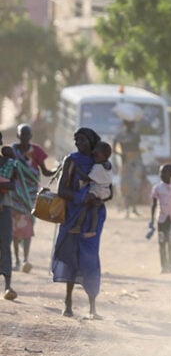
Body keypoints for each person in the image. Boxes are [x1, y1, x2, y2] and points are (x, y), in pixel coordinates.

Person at [53, 128, 111, 319]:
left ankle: (92, 306)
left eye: (83, 140)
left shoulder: (102, 162)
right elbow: (62, 190)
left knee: (90, 258)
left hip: (92, 219)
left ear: (92, 141)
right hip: (73, 214)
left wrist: (98, 199)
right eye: (76, 140)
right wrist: (82, 197)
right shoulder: (71, 160)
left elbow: (109, 190)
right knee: (71, 257)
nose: (79, 143)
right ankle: (68, 302)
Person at [11, 123, 57, 273]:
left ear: (31, 136)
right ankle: (17, 260)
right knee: (14, 228)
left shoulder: (36, 150)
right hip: (15, 193)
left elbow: (45, 172)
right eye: (22, 135)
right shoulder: (12, 150)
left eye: (27, 135)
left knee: (27, 226)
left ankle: (26, 259)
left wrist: (58, 169)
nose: (25, 138)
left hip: (30, 194)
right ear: (18, 136)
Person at [69, 141, 113, 238]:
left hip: (97, 191)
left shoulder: (97, 167)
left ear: (103, 155)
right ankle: (92, 230)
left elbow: (87, 178)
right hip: (105, 191)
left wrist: (77, 170)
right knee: (94, 210)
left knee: (84, 205)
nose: (94, 156)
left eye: (96, 155)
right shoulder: (108, 165)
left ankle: (78, 226)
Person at [149, 163, 171, 273]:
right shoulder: (157, 188)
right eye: (160, 172)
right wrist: (152, 220)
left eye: (163, 172)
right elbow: (154, 204)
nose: (161, 175)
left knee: (170, 241)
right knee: (162, 242)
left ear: (170, 174)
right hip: (161, 219)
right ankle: (163, 265)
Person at [113, 120, 145, 217]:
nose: (132, 125)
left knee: (136, 184)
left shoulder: (136, 135)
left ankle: (134, 207)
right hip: (125, 161)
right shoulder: (120, 135)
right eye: (130, 124)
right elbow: (114, 148)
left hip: (135, 161)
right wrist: (121, 154)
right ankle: (126, 208)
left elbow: (137, 148)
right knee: (125, 185)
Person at [0, 136, 19, 300]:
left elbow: (13, 185)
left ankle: (7, 286)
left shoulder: (9, 163)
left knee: (5, 243)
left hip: (5, 207)